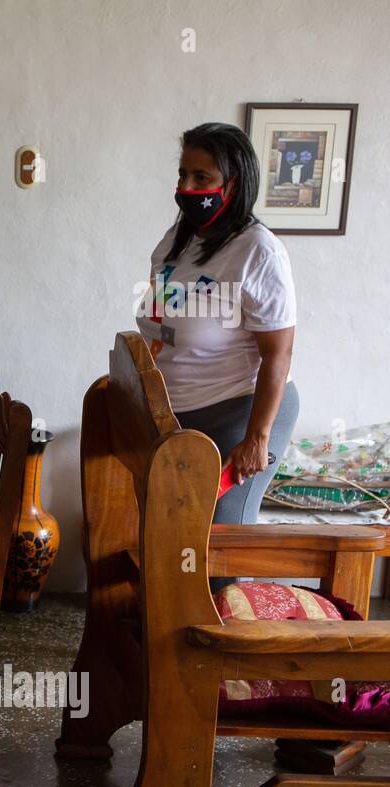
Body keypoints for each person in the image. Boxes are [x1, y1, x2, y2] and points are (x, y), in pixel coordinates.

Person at [137, 122, 298, 528]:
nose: (187, 186)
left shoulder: (258, 251)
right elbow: (157, 323)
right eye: (182, 174)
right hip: (177, 414)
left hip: (238, 413)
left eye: (201, 177)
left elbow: (278, 353)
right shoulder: (179, 239)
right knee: (171, 540)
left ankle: (228, 596)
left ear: (233, 184)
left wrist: (257, 439)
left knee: (215, 544)